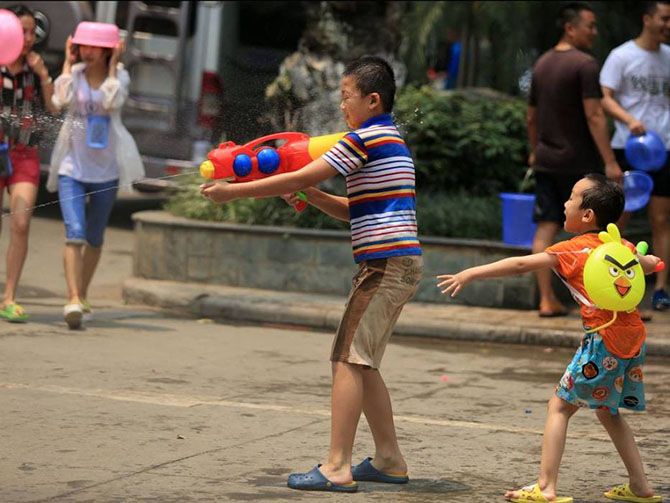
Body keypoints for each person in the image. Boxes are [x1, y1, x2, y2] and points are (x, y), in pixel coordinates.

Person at [201, 56, 423, 493]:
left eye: (346, 98)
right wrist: (307, 193)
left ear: (372, 100)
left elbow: (302, 171)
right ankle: (389, 458)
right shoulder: (390, 140)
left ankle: (337, 466)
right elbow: (352, 210)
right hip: (398, 262)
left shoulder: (363, 138)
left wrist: (234, 193)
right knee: (364, 362)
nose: (342, 107)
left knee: (345, 359)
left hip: (383, 265)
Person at [437, 174, 662, 503]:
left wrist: (471, 272)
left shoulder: (572, 249)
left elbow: (520, 264)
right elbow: (644, 265)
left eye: (571, 197)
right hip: (631, 340)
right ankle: (640, 486)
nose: (565, 202)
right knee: (607, 411)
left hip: (602, 340)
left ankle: (546, 487)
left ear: (587, 215)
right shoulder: (620, 246)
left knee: (559, 407)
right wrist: (651, 262)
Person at [527, 2, 623, 318]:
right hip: (580, 165)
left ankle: (546, 299)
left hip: (545, 160)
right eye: (589, 26)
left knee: (546, 227)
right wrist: (609, 161)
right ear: (571, 28)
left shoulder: (541, 64)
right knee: (600, 231)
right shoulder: (585, 65)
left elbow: (531, 116)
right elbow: (595, 114)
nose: (594, 32)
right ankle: (604, 298)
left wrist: (533, 150)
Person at [47, 23, 144, 329]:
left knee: (95, 237)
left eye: (94, 47)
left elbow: (113, 100)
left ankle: (83, 294)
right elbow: (60, 100)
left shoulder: (121, 77)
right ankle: (73, 297)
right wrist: (65, 62)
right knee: (74, 233)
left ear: (107, 51)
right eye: (82, 46)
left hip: (106, 171)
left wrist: (114, 66)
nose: (87, 52)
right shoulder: (73, 74)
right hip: (72, 168)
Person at [600, 1, 670, 311]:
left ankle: (660, 289)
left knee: (661, 219)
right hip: (628, 148)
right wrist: (629, 121)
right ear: (647, 19)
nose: (668, 24)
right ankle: (608, 283)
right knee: (619, 219)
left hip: (665, 148)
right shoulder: (621, 55)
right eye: (664, 18)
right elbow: (604, 98)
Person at [0, 4, 57, 323]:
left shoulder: (38, 68)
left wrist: (44, 75)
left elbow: (51, 107)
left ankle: (9, 297)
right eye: (20, 31)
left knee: (21, 223)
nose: (26, 38)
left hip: (24, 154)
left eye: (30, 32)